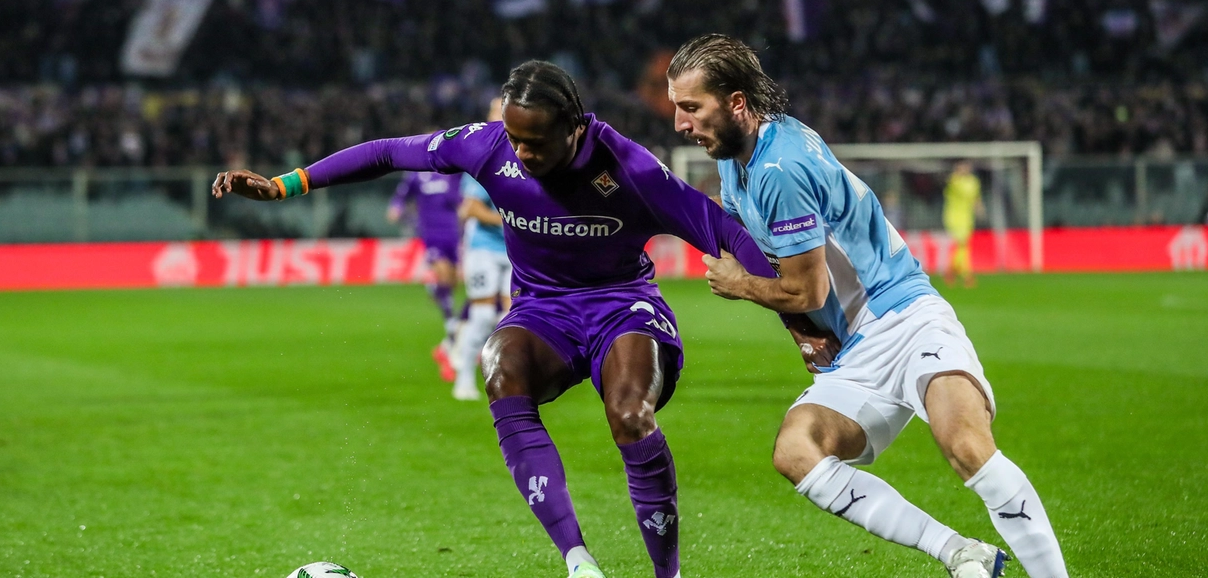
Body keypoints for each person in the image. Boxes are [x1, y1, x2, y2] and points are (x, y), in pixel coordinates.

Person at [212, 60, 794, 578]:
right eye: (515, 138)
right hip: (543, 310)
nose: (522, 153)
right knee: (500, 372)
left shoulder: (629, 168)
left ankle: (667, 574)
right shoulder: (487, 146)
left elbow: (719, 229)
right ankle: (579, 562)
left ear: (576, 127)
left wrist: (788, 307)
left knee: (628, 415)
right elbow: (388, 152)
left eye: (537, 142)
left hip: (625, 305)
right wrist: (288, 184)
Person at [667, 34, 1068, 578]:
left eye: (691, 108)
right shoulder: (744, 163)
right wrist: (803, 330)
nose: (680, 124)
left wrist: (740, 285)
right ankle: (961, 553)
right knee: (797, 450)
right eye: (676, 108)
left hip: (904, 316)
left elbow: (809, 290)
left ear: (736, 103)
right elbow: (793, 279)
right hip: (857, 347)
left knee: (967, 446)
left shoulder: (776, 169)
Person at [452, 98, 512, 401]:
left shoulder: (524, 157)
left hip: (514, 252)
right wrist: (510, 221)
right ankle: (463, 378)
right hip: (483, 250)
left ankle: (504, 379)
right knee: (483, 316)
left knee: (512, 317)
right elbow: (470, 208)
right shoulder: (482, 158)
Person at [387, 163, 463, 380]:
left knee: (452, 281)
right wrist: (397, 207)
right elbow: (402, 195)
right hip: (432, 234)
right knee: (444, 276)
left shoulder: (453, 173)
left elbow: (461, 196)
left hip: (453, 233)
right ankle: (451, 328)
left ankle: (436, 291)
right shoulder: (417, 175)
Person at [943, 161, 985, 288]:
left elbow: (976, 198)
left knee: (963, 245)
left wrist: (979, 208)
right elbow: (949, 183)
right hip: (953, 215)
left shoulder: (973, 182)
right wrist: (957, 174)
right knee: (962, 243)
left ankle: (952, 270)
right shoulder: (954, 180)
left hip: (967, 217)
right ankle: (967, 274)